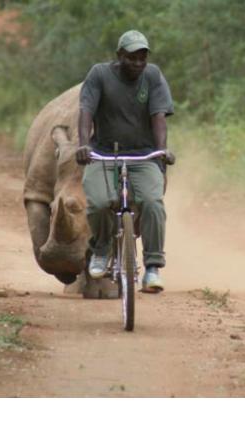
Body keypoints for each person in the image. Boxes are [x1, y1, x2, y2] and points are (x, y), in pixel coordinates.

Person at [75, 30, 175, 292]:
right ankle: (101, 248)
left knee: (153, 203)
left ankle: (153, 266)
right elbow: (86, 111)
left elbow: (159, 117)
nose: (138, 63)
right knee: (97, 203)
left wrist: (161, 151)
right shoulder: (99, 74)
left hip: (143, 155)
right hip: (104, 154)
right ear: (119, 56)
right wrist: (84, 145)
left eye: (142, 57)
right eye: (132, 58)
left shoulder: (152, 76)